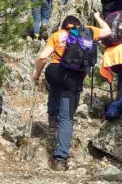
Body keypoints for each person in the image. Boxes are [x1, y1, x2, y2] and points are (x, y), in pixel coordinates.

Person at [33, 13, 113, 171]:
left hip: (54, 71)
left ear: (64, 26)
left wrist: (36, 75)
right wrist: (97, 16)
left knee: (56, 85)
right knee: (67, 118)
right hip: (73, 78)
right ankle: (60, 158)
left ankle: (52, 117)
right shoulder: (88, 31)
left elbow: (42, 57)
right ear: (79, 26)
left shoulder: (57, 35)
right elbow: (108, 31)